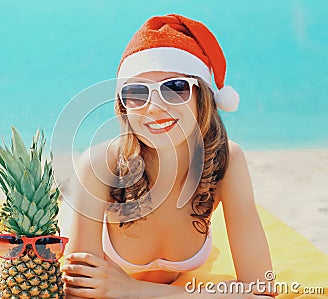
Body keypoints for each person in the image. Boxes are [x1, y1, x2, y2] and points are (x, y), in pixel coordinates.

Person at [59, 14, 275, 298]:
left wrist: (133, 290)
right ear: (123, 106)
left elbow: (261, 289)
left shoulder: (227, 160)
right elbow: (79, 291)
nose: (154, 107)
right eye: (136, 92)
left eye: (174, 88)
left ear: (203, 97)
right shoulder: (100, 165)